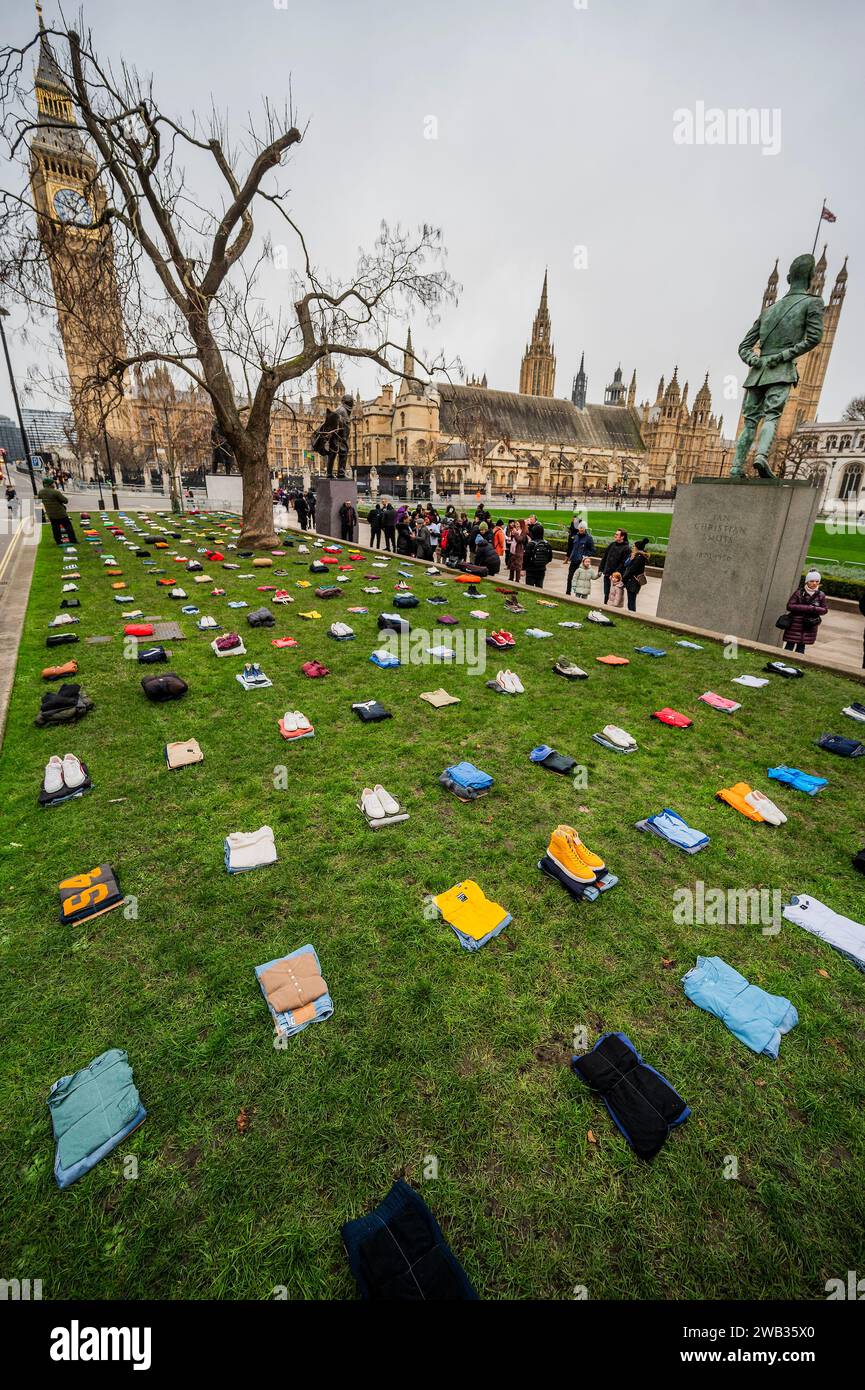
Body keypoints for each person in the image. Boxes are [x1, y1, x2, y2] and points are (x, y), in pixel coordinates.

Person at [783, 569, 828, 654]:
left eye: (817, 581)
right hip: (795, 624)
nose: (814, 583)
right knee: (789, 646)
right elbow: (790, 606)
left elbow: (825, 610)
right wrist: (807, 608)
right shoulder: (799, 593)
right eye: (811, 581)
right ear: (807, 582)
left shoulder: (821, 595)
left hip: (809, 625)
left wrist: (814, 609)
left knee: (801, 648)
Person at [37, 478, 77, 544]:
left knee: (55, 528)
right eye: (53, 483)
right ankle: (73, 540)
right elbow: (65, 501)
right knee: (68, 527)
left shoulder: (40, 492)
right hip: (60, 513)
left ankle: (58, 541)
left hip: (50, 514)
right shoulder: (55, 492)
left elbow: (38, 501)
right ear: (50, 484)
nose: (54, 484)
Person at [598, 528, 630, 604]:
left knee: (614, 594)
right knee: (606, 592)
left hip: (616, 577)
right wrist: (601, 569)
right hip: (607, 573)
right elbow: (605, 558)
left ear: (622, 537)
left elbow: (623, 564)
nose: (615, 535)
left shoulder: (626, 548)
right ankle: (605, 606)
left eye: (617, 534)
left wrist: (614, 575)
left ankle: (612, 609)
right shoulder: (612, 544)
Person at [565, 519, 595, 595]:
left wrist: (584, 555)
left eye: (582, 528)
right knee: (570, 578)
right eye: (580, 527)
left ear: (585, 529)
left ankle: (577, 595)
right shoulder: (575, 536)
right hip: (573, 561)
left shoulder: (589, 538)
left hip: (581, 563)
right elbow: (572, 548)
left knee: (579, 580)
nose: (581, 529)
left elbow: (593, 550)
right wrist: (569, 556)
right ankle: (567, 593)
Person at [621, 538, 648, 611]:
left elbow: (631, 570)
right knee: (631, 601)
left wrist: (623, 580)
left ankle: (632, 616)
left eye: (634, 546)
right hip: (632, 582)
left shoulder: (638, 558)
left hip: (633, 583)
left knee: (631, 602)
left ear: (637, 548)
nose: (632, 547)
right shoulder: (637, 556)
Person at [523, 523, 553, 588]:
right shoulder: (547, 544)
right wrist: (542, 563)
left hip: (530, 570)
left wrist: (524, 569)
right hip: (542, 570)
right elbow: (550, 558)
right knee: (539, 588)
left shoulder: (531, 544)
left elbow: (525, 558)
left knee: (529, 589)